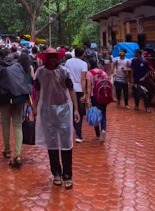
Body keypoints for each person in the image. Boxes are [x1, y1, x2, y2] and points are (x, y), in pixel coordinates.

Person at [34, 48, 79, 189]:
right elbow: (37, 90)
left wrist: (76, 109)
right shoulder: (40, 72)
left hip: (64, 109)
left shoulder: (64, 71)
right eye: (50, 57)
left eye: (55, 57)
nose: (53, 59)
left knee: (66, 142)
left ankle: (67, 175)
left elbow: (71, 90)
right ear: (46, 59)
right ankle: (56, 173)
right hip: (47, 110)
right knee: (51, 142)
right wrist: (34, 107)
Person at [0, 47, 30, 168]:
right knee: (17, 124)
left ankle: (7, 150)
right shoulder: (17, 66)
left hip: (4, 99)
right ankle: (18, 154)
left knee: (5, 124)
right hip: (18, 98)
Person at [64, 47, 88, 143]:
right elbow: (83, 79)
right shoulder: (83, 64)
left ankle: (68, 132)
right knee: (79, 112)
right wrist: (84, 93)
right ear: (82, 55)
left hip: (68, 89)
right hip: (78, 89)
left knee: (70, 110)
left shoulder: (68, 62)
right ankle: (78, 134)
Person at [86, 59, 111, 143]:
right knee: (103, 114)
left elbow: (89, 87)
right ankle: (103, 130)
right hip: (103, 96)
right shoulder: (103, 72)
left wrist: (88, 98)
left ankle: (97, 134)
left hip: (94, 96)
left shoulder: (89, 73)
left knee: (95, 114)